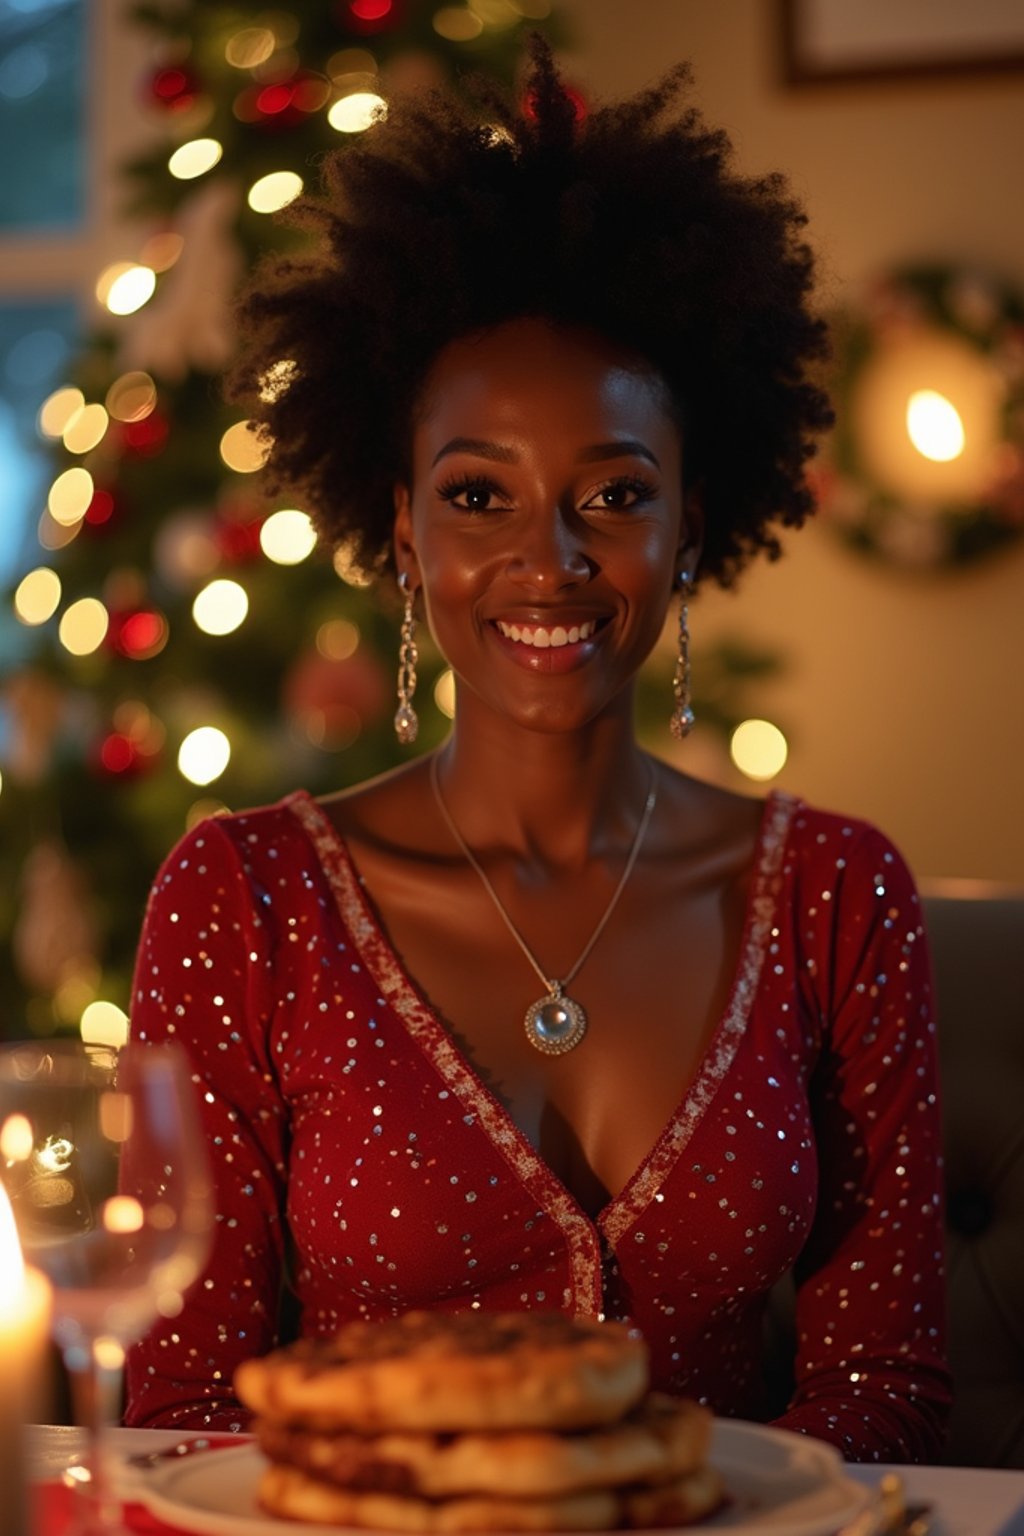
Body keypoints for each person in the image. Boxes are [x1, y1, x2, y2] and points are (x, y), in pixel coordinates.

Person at [123, 39, 950, 1461]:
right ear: (402, 531)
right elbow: (187, 1407)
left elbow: (882, 1397)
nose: (548, 560)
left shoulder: (836, 898)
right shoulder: (243, 906)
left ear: (692, 523)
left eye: (614, 493)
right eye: (479, 495)